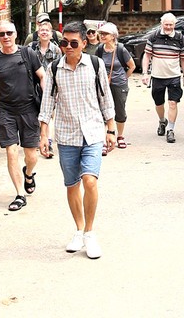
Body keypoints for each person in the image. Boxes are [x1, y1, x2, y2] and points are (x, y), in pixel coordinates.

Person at [38, 21, 117, 259]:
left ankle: (90, 233)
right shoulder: (54, 68)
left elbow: (105, 96)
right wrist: (44, 134)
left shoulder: (95, 64)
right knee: (72, 184)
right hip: (66, 134)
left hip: (92, 132)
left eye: (73, 43)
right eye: (64, 43)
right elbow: (48, 102)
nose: (68, 47)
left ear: (84, 42)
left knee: (90, 181)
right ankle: (79, 230)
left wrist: (111, 128)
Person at [0, 21, 46, 211]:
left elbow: (42, 76)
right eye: (2, 34)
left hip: (29, 110)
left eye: (9, 33)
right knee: (11, 152)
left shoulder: (28, 53)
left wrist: (46, 105)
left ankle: (28, 173)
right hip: (6, 111)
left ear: (16, 33)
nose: (6, 37)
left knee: (31, 155)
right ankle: (20, 194)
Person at [141, 12, 184, 143]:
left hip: (174, 75)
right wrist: (145, 73)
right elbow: (147, 56)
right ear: (162, 24)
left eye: (171, 25)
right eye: (166, 24)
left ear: (174, 24)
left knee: (173, 103)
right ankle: (162, 121)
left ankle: (171, 130)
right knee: (159, 103)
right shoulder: (154, 36)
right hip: (157, 76)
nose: (168, 27)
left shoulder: (179, 37)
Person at [95, 22, 135, 151]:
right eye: (101, 33)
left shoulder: (120, 49)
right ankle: (105, 138)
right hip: (103, 85)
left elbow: (132, 66)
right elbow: (95, 66)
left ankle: (120, 136)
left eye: (105, 34)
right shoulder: (100, 49)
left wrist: (123, 78)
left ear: (113, 36)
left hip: (119, 85)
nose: (102, 36)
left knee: (120, 110)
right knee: (103, 111)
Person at [31, 20, 62, 158]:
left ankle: (48, 140)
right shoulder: (31, 49)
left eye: (47, 31)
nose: (44, 32)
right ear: (38, 33)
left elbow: (60, 69)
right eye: (41, 30)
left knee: (49, 114)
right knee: (39, 114)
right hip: (34, 86)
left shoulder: (56, 50)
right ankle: (42, 139)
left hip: (51, 86)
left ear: (51, 34)